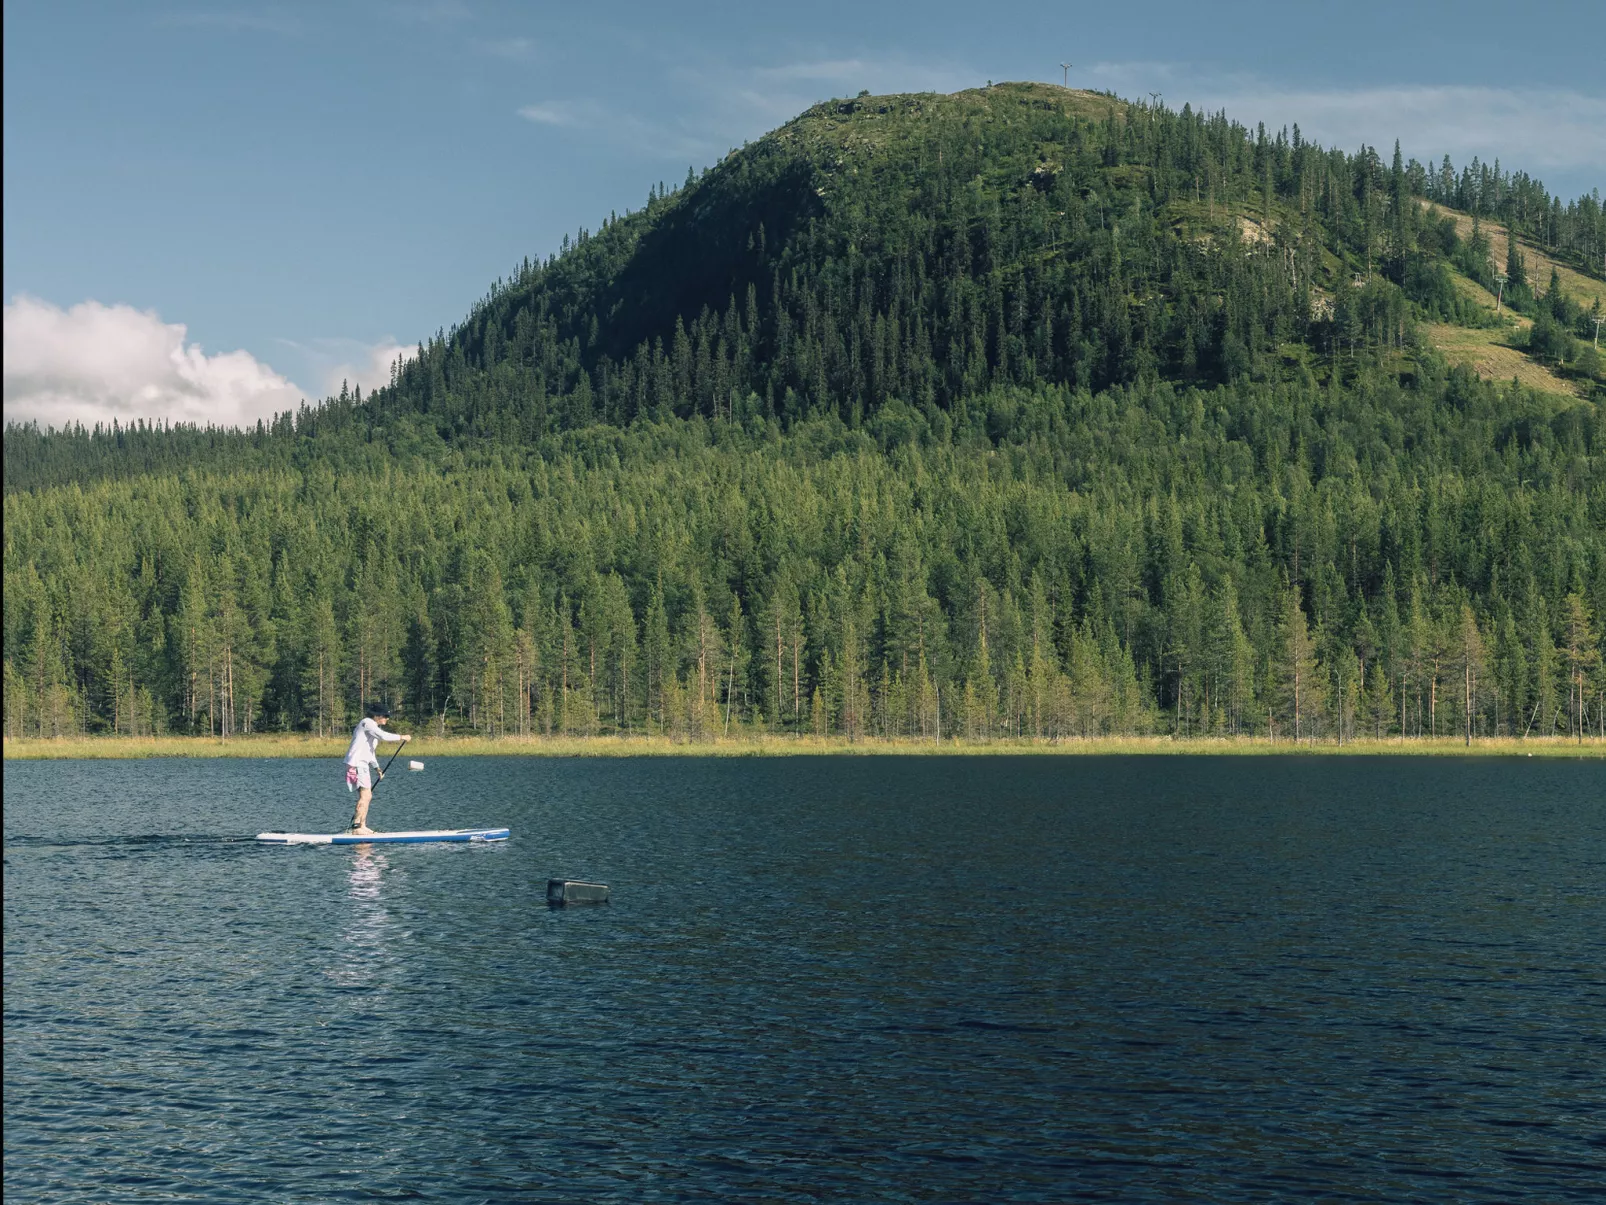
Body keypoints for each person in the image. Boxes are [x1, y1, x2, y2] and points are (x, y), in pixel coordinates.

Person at [344, 704, 410, 835]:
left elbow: (370, 751)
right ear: (377, 716)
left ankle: (362, 825)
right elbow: (383, 736)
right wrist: (402, 737)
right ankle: (356, 828)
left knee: (368, 795)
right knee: (365, 795)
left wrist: (377, 768)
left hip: (362, 764)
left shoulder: (372, 727)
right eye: (385, 716)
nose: (387, 719)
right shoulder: (367, 723)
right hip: (356, 764)